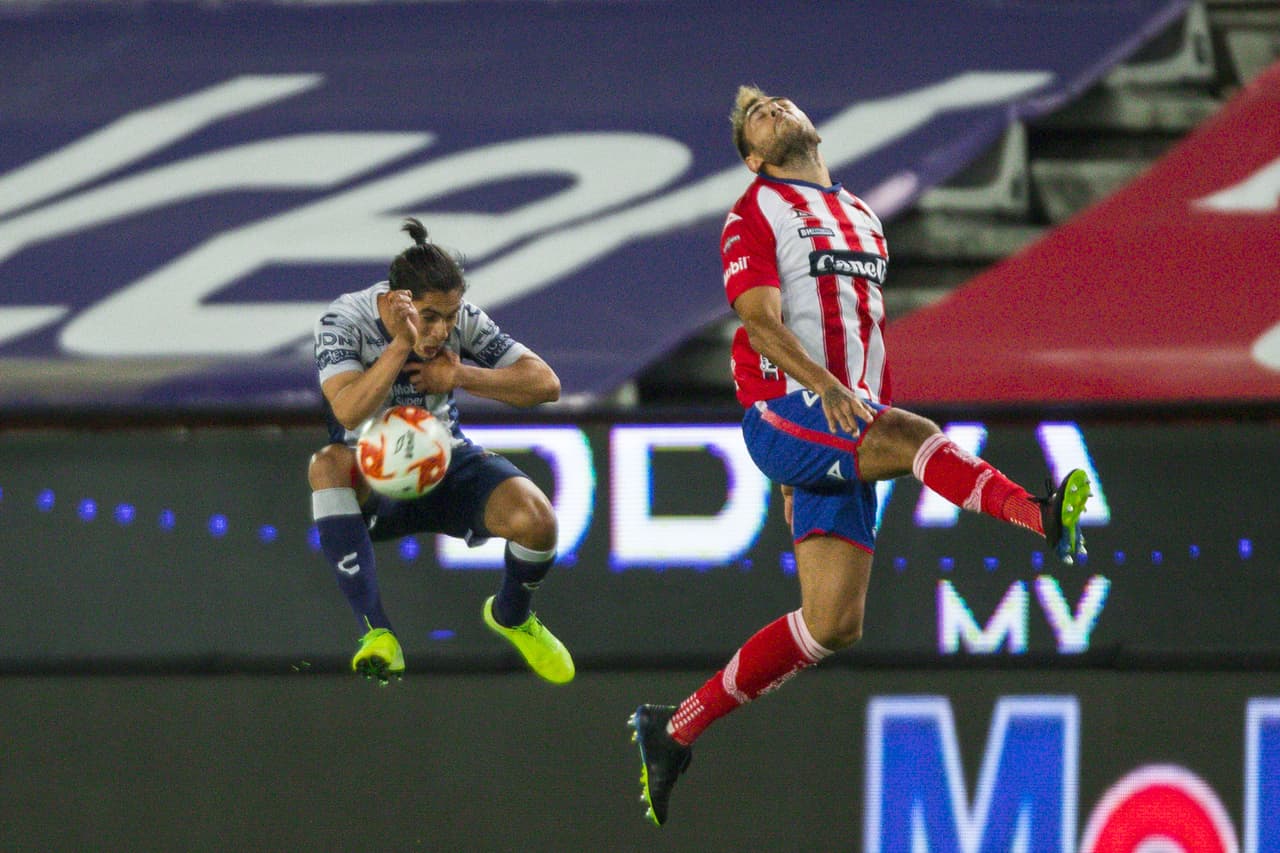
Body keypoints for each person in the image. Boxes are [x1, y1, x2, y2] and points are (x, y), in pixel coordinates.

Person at [627, 86, 1092, 826]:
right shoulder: (753, 213)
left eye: (778, 102)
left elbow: (866, 337)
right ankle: (1037, 515)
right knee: (913, 437)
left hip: (842, 423)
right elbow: (757, 319)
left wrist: (846, 430)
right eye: (757, 117)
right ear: (753, 157)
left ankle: (675, 725)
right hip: (788, 411)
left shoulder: (866, 216)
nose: (773, 110)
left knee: (833, 622)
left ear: (810, 124)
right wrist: (827, 394)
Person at [308, 217, 574, 686]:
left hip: (445, 460)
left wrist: (462, 376)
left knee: (538, 521)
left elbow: (546, 384)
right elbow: (348, 412)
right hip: (374, 473)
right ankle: (378, 635)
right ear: (396, 300)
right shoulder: (342, 319)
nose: (441, 330)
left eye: (450, 317)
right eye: (430, 317)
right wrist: (399, 347)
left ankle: (511, 615)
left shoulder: (461, 319)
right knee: (326, 465)